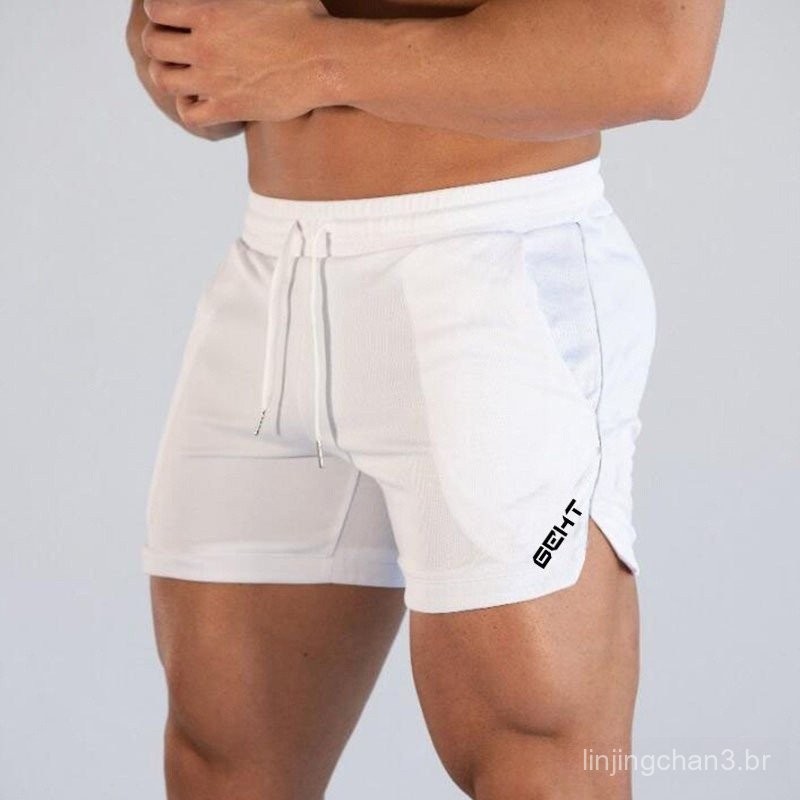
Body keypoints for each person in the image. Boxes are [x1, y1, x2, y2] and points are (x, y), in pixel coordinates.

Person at [126, 1, 724, 797]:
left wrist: (315, 59)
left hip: (487, 274)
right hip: (273, 280)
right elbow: (190, 50)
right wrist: (192, 54)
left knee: (537, 756)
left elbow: (659, 55)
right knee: (221, 758)